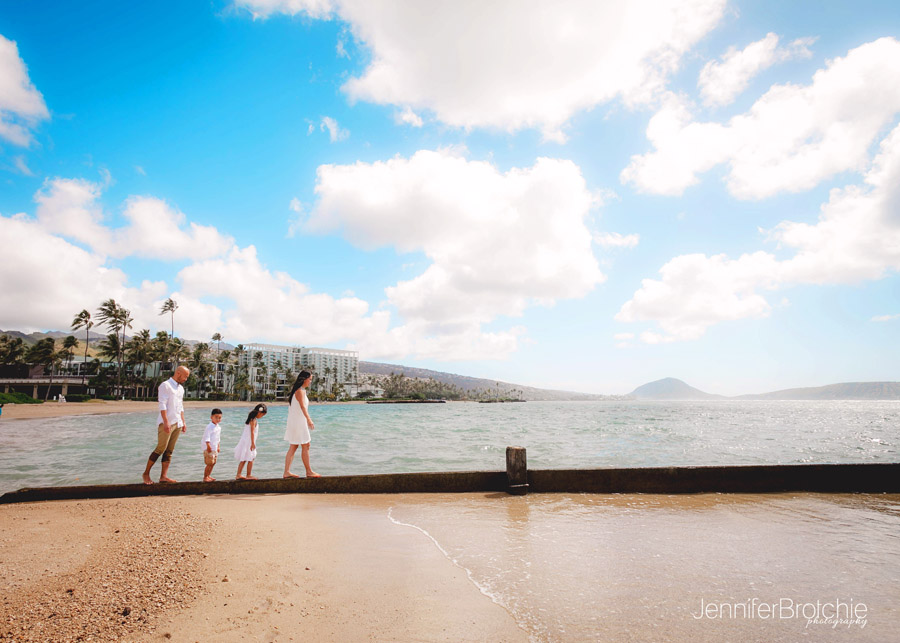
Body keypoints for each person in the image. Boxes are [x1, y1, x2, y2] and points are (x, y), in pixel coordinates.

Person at [142, 365, 190, 485]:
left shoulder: (181, 389)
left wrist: (183, 422)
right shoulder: (165, 385)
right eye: (185, 376)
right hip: (167, 422)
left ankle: (163, 476)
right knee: (160, 448)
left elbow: (180, 406)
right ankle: (146, 473)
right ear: (178, 373)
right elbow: (162, 405)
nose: (186, 379)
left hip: (178, 422)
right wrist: (166, 422)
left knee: (169, 451)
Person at [283, 370, 320, 478]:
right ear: (304, 379)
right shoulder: (300, 391)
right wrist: (309, 419)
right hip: (299, 422)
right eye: (310, 379)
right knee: (305, 445)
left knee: (294, 446)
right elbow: (303, 407)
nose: (310, 382)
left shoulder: (299, 390)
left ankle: (287, 472)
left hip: (296, 422)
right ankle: (308, 472)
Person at [235, 403, 266, 480]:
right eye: (262, 415)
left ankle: (238, 474)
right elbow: (252, 432)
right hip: (249, 441)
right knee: (251, 458)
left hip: (246, 440)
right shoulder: (253, 420)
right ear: (259, 412)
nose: (261, 417)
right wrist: (253, 443)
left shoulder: (251, 419)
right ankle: (248, 474)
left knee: (244, 458)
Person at [201, 408, 223, 482]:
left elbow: (218, 438)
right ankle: (205, 477)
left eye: (219, 418)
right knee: (209, 463)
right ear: (211, 417)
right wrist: (208, 446)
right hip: (209, 447)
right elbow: (207, 437)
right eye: (216, 417)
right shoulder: (209, 426)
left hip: (215, 447)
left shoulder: (218, 427)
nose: (218, 419)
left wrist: (218, 446)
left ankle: (208, 475)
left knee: (213, 463)